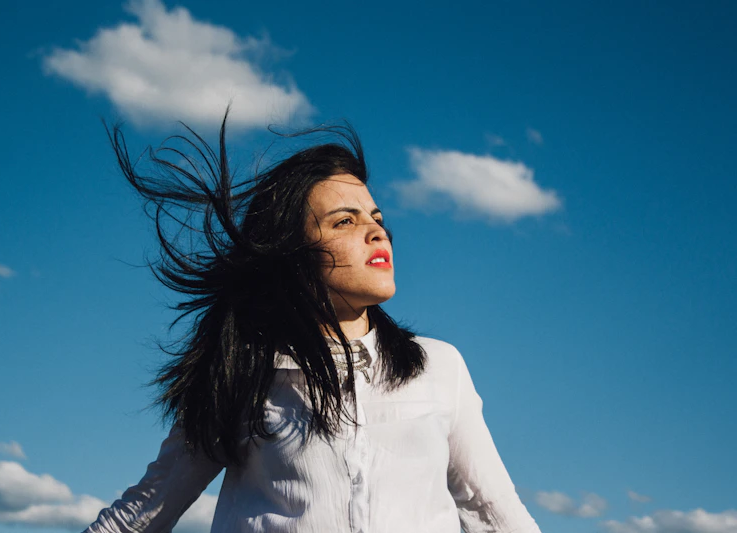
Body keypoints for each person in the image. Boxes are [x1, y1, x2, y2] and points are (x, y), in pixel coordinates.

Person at [85, 113, 542, 533]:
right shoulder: (240, 372)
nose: (376, 230)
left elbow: (494, 512)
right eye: (344, 221)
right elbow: (142, 513)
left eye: (376, 217)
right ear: (292, 254)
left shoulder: (438, 367)